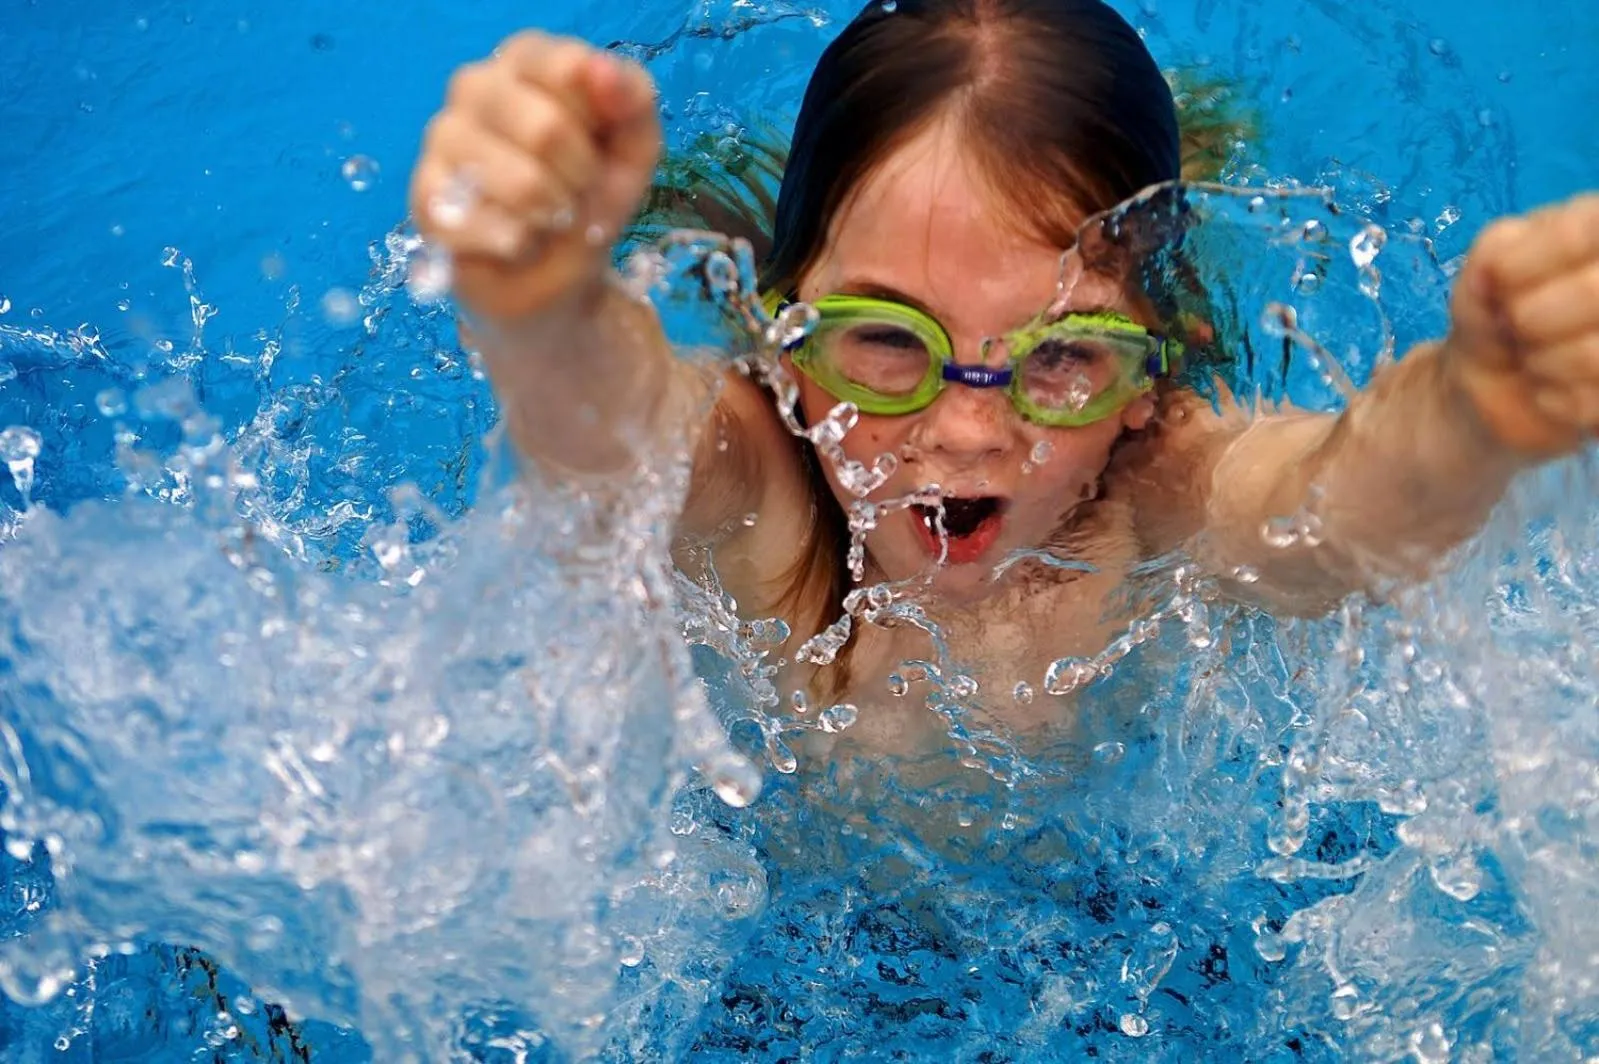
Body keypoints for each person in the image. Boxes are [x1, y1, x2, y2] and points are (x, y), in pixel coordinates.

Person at [408, 0, 1599, 758]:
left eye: (1064, 356)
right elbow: (613, 433)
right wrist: (540, 302)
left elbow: (1328, 513)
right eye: (884, 341)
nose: (969, 431)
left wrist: (1470, 408)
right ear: (780, 331)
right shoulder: (762, 483)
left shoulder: (1154, 485)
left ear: (1148, 370)